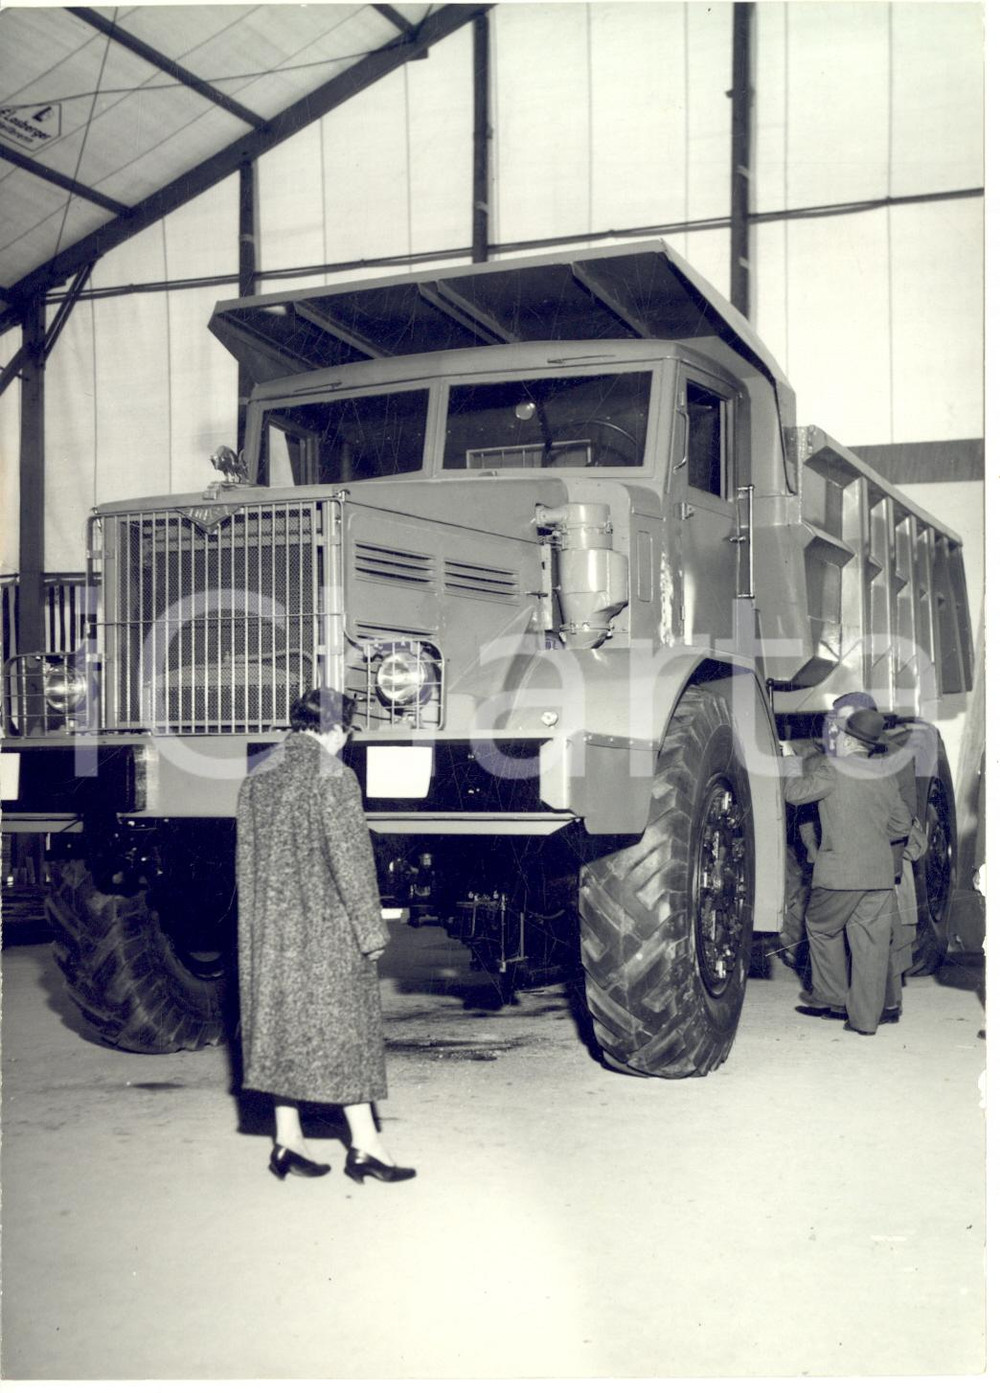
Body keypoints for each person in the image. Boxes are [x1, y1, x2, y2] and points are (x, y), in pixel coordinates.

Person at [236, 687, 416, 1184]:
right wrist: (370, 930)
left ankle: (287, 1139)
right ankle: (366, 1148)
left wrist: (256, 929)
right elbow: (352, 865)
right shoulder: (334, 777)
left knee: (282, 1033)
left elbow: (246, 861)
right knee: (349, 1038)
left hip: (271, 931)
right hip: (326, 929)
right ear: (337, 729)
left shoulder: (259, 776)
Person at [782, 707, 914, 1035]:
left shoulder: (833, 768)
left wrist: (788, 760)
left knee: (821, 926)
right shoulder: (884, 773)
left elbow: (794, 794)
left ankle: (833, 997)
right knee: (870, 944)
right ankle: (865, 1022)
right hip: (879, 876)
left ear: (846, 739)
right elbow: (900, 824)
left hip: (839, 874)